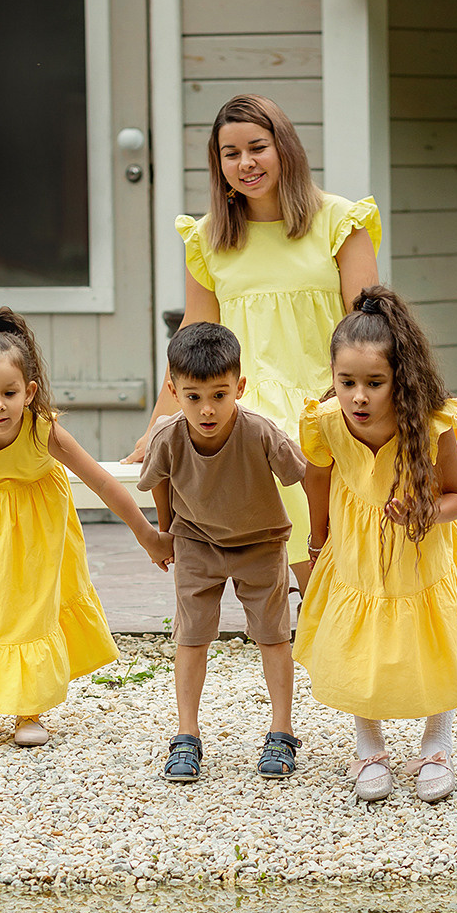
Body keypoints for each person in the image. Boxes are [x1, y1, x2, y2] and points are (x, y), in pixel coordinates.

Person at [126, 94, 381, 590]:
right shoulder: (208, 239)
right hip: (244, 393)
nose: (245, 163)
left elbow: (369, 326)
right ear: (217, 164)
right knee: (266, 443)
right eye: (230, 153)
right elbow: (191, 338)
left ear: (284, 148)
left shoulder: (340, 222)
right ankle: (321, 598)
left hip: (330, 390)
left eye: (257, 147)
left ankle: (328, 601)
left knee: (305, 444)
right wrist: (160, 420)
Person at [0, 308, 170, 747]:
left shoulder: (45, 432)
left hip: (34, 539)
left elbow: (99, 480)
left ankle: (29, 710)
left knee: (28, 610)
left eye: (9, 392)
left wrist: (147, 534)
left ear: (30, 391)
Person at [294, 287, 457, 802]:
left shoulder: (431, 425)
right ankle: (369, 745)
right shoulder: (324, 422)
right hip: (357, 552)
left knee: (427, 639)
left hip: (419, 548)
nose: (359, 396)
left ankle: (437, 740)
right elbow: (316, 482)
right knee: (360, 642)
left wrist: (426, 511)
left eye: (374, 383)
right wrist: (319, 541)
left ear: (399, 379)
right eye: (347, 383)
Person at [137, 322, 309, 782]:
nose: (207, 409)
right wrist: (166, 533)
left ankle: (282, 731)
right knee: (191, 637)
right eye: (193, 397)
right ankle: (186, 736)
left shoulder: (259, 432)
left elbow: (300, 474)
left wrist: (321, 536)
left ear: (240, 387)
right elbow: (158, 482)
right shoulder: (168, 436)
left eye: (219, 394)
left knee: (273, 636)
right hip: (196, 544)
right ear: (174, 391)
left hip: (261, 543)